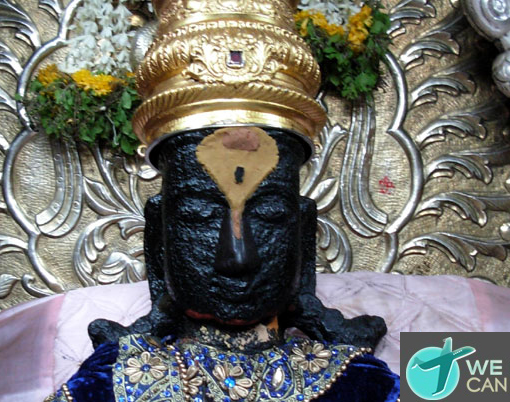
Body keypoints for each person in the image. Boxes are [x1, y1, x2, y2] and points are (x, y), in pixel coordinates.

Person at [45, 127, 399, 402]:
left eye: (270, 214)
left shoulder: (363, 377)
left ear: (302, 238)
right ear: (158, 245)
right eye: (199, 216)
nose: (238, 258)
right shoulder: (115, 379)